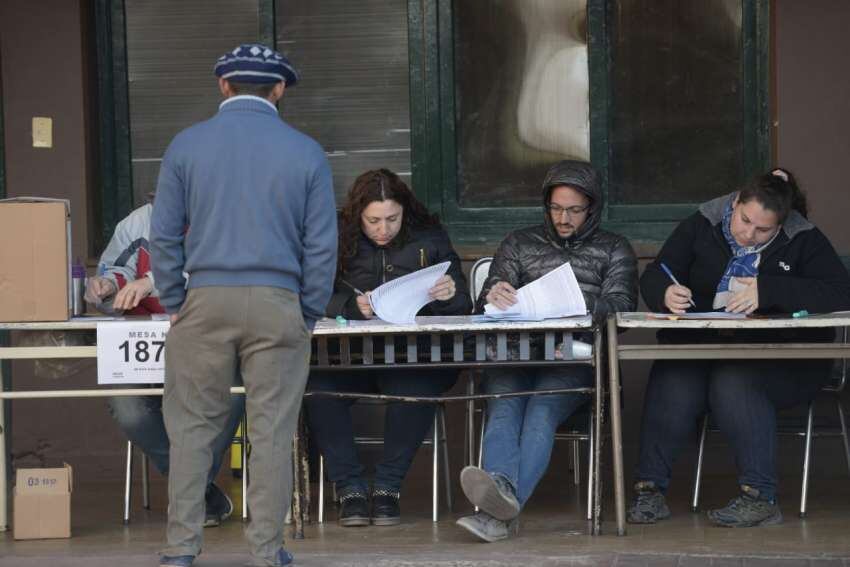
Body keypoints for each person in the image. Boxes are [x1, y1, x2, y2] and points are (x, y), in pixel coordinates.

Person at [150, 44, 337, 567]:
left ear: (223, 86)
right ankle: (266, 549)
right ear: (278, 89)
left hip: (204, 298)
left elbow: (163, 235)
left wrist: (173, 298)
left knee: (190, 431)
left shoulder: (186, 146)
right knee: (272, 432)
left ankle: (181, 548)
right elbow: (321, 245)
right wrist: (308, 309)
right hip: (279, 301)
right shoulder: (306, 152)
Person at [628, 168, 850, 528]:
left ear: (781, 223)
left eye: (763, 230)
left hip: (783, 361)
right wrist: (664, 294)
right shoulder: (703, 222)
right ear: (734, 204)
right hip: (705, 349)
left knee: (734, 378)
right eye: (744, 220)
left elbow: (841, 291)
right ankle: (648, 491)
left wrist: (770, 290)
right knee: (674, 372)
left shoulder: (802, 236)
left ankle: (759, 497)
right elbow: (657, 273)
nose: (749, 234)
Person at [456, 160, 638, 542]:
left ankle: (498, 510)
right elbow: (484, 305)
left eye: (573, 210)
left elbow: (622, 302)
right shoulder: (519, 243)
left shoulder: (614, 248)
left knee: (540, 412)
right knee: (505, 409)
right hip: (514, 353)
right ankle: (502, 504)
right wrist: (494, 293)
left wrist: (584, 309)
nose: (563, 218)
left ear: (592, 208)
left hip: (574, 356)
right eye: (556, 208)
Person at [305, 168, 471, 527]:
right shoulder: (334, 235)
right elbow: (308, 294)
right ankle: (349, 488)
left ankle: (386, 489)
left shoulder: (429, 235)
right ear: (357, 216)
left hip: (412, 357)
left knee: (416, 390)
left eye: (392, 219)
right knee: (317, 390)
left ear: (404, 212)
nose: (383, 229)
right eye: (373, 221)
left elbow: (464, 305)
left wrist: (449, 294)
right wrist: (349, 307)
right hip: (347, 358)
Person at [85, 198, 245, 528]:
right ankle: (198, 492)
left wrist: (150, 282)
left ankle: (189, 493)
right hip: (141, 341)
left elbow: (216, 273)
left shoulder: (219, 216)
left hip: (206, 336)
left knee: (232, 395)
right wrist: (108, 284)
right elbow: (117, 267)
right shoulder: (137, 222)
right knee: (126, 405)